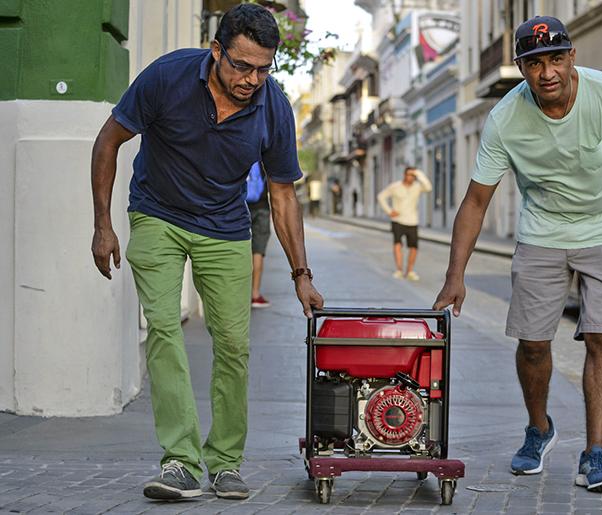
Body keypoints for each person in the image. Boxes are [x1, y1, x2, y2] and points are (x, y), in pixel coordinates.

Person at [90, 4, 323, 502]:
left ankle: (225, 462)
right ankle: (179, 460)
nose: (252, 79)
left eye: (264, 68)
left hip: (225, 227)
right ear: (216, 51)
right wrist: (102, 224)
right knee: (164, 329)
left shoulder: (273, 106)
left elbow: (283, 195)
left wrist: (301, 272)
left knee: (234, 344)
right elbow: (109, 141)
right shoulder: (168, 77)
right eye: (241, 65)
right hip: (157, 213)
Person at [433, 16, 602, 494]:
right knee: (533, 343)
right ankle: (538, 428)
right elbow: (477, 199)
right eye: (535, 63)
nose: (547, 73)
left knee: (601, 338)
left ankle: (595, 453)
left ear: (572, 57)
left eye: (556, 59)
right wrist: (454, 275)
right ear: (521, 68)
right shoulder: (505, 117)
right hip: (542, 232)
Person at [377, 166, 432, 281]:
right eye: (409, 174)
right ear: (404, 175)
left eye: (413, 175)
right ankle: (399, 270)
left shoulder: (417, 187)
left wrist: (418, 173)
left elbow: (428, 187)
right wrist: (389, 211)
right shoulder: (395, 186)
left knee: (414, 247)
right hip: (398, 221)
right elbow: (381, 197)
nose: (410, 177)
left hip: (412, 221)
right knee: (397, 244)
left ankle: (410, 271)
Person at [247, 162, 272, 309]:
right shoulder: (264, 157)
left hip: (239, 205)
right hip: (261, 207)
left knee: (236, 246)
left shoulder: (241, 146)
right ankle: (255, 294)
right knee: (258, 252)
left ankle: (238, 294)